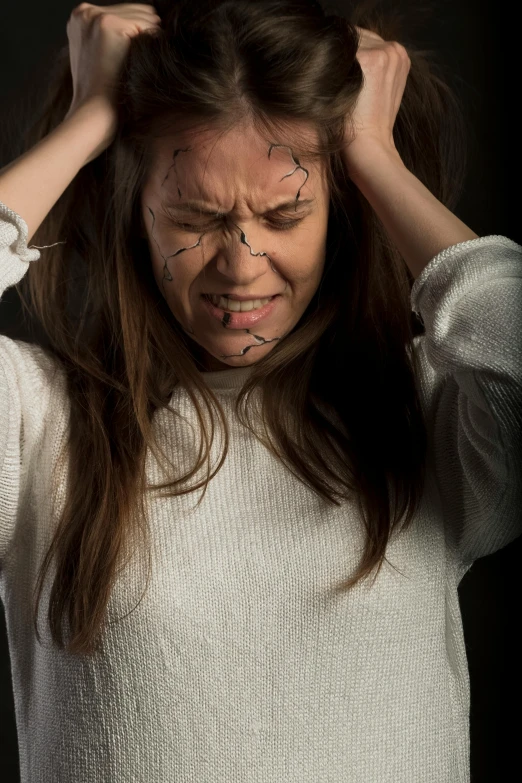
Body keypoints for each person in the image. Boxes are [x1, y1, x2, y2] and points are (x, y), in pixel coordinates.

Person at [0, 1, 520, 781]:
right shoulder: (38, 423)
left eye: (286, 213)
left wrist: (373, 154)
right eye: (195, 214)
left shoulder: (432, 419)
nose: (241, 265)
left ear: (341, 209)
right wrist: (89, 121)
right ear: (135, 212)